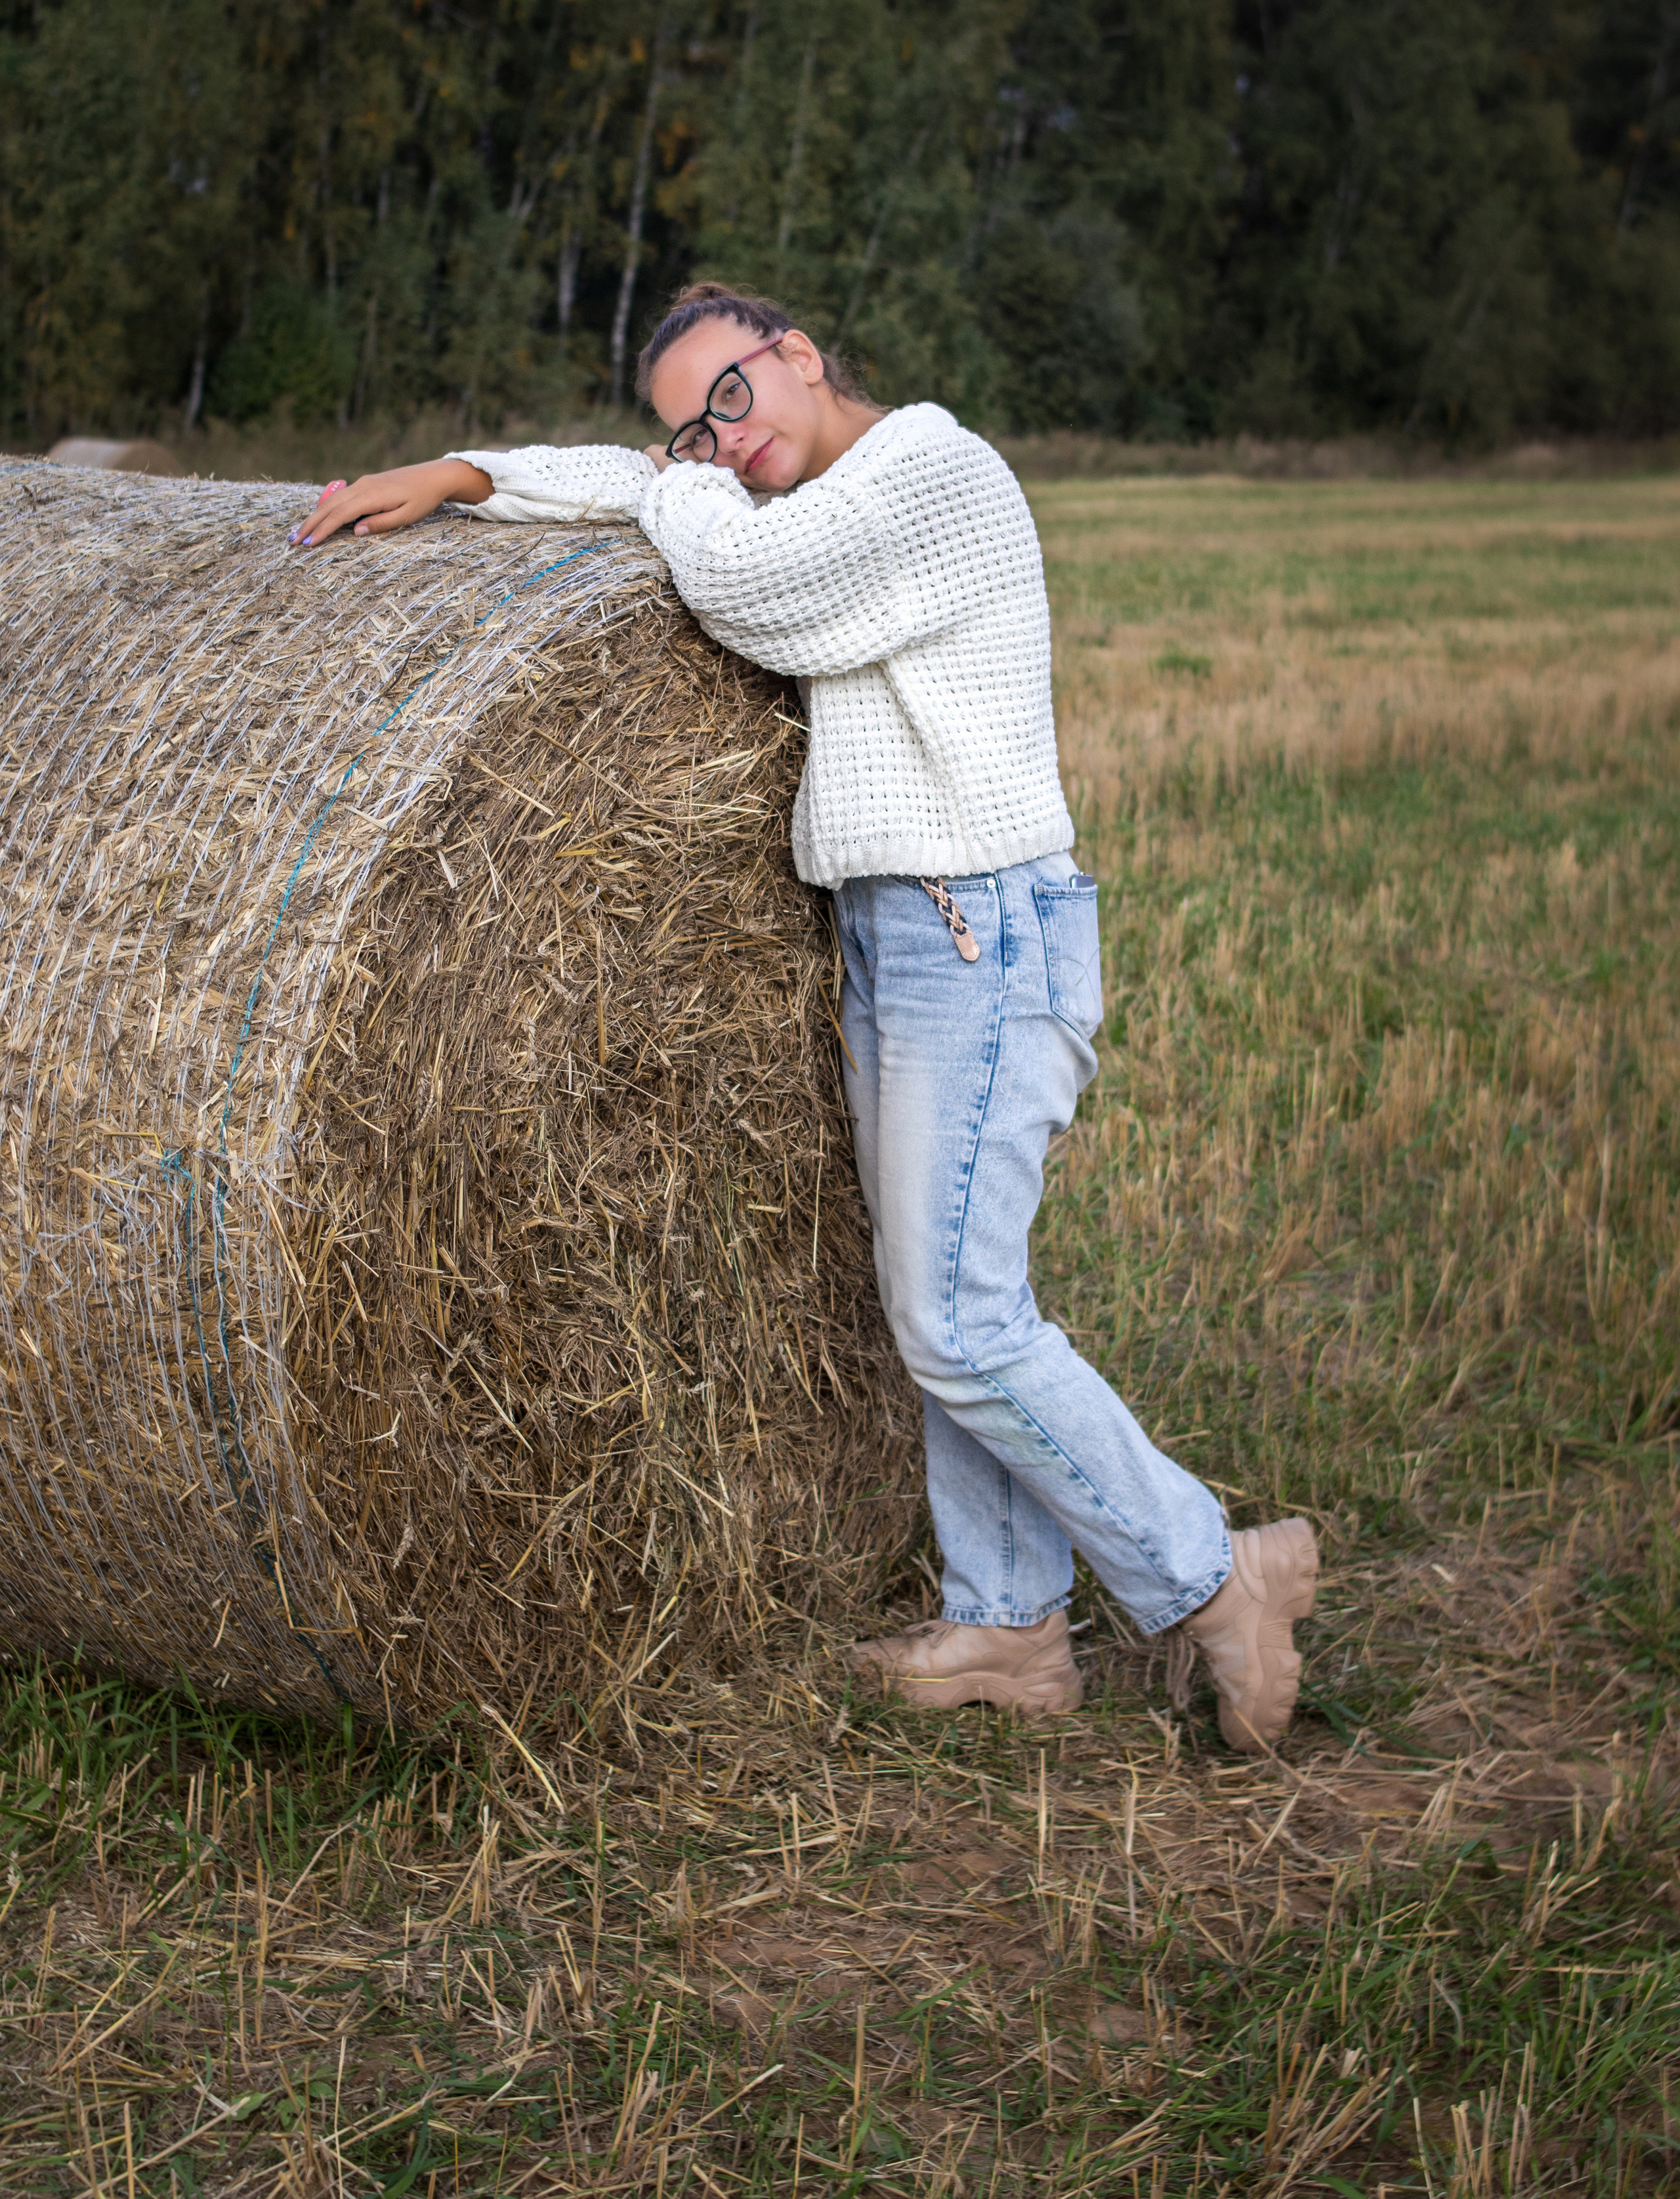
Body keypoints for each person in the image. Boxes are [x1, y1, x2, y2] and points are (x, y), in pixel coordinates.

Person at [289, 280, 1318, 1752]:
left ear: (800, 357)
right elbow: (647, 492)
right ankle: (1009, 1625)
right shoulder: (770, 483)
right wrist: (464, 478)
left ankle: (1215, 1577)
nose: (717, 442)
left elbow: (741, 587)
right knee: (934, 1303)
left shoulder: (930, 473)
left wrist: (676, 492)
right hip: (896, 929)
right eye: (685, 425)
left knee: (958, 1321)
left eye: (730, 398)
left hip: (978, 931)